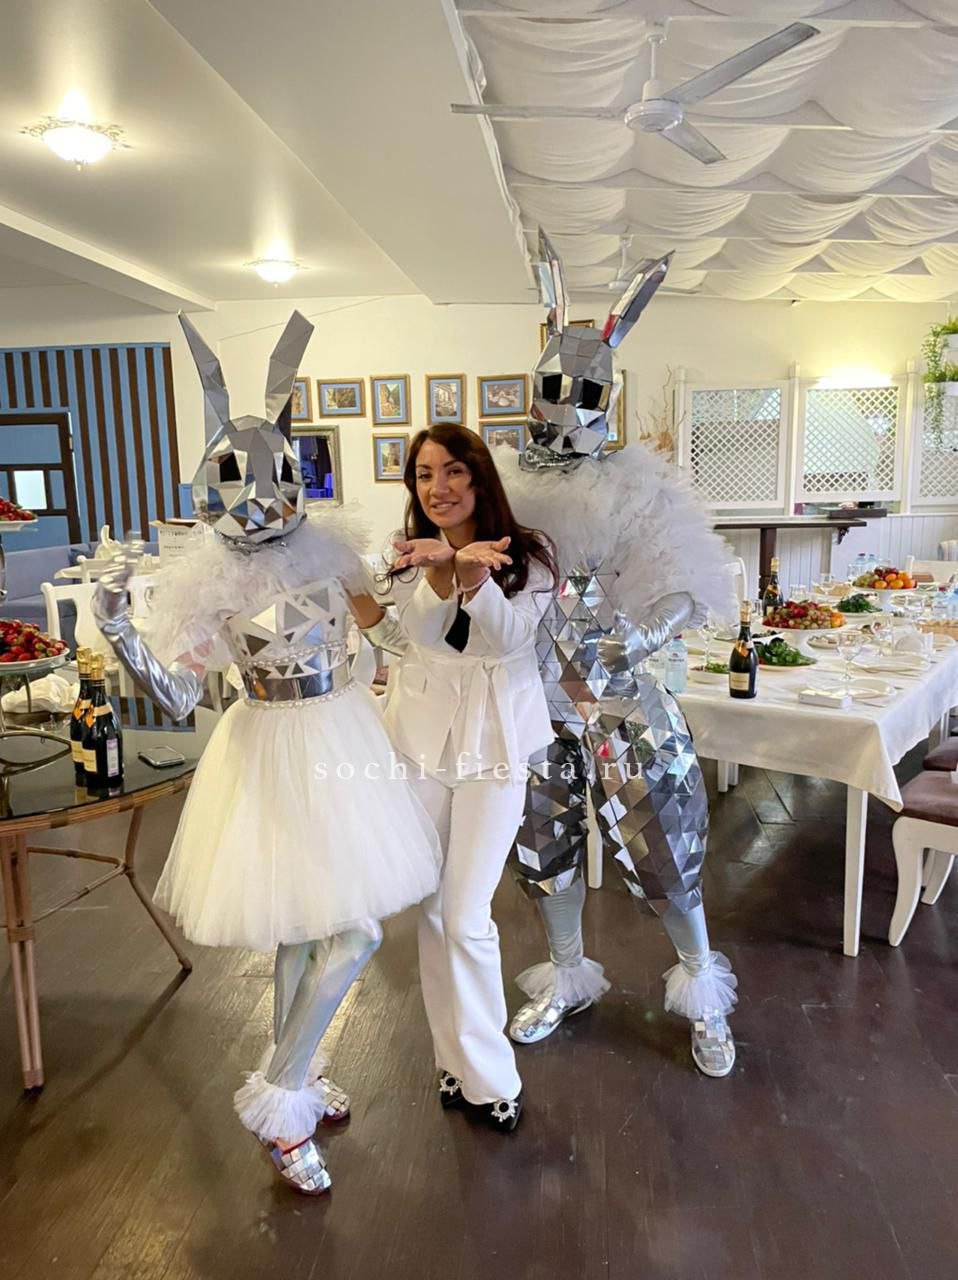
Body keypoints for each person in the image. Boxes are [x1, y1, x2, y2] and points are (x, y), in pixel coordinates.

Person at [93, 312, 440, 1194]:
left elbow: (392, 641)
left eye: (272, 478)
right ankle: (284, 1101)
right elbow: (179, 696)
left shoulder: (334, 558)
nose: (256, 499)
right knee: (333, 931)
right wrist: (121, 632)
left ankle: (298, 1074)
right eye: (234, 480)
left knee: (319, 927)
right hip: (265, 751)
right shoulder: (208, 584)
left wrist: (422, 581)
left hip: (340, 739)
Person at [493, 230, 740, 1078]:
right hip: (530, 701)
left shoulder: (641, 484)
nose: (566, 404)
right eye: (553, 388)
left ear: (609, 393)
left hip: (622, 696)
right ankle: (566, 978)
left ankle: (705, 995)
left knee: (664, 846)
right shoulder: (504, 488)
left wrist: (641, 633)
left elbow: (688, 584)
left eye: (585, 390)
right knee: (541, 847)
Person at [364, 423, 556, 1131]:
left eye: (452, 471)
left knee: (468, 913)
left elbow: (510, 639)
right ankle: (453, 1062)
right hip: (421, 746)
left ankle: (493, 1077)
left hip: (494, 750)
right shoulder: (409, 556)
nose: (437, 487)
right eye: (423, 474)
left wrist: (474, 577)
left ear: (479, 476)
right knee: (433, 910)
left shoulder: (530, 554)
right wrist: (439, 570)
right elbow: (415, 639)